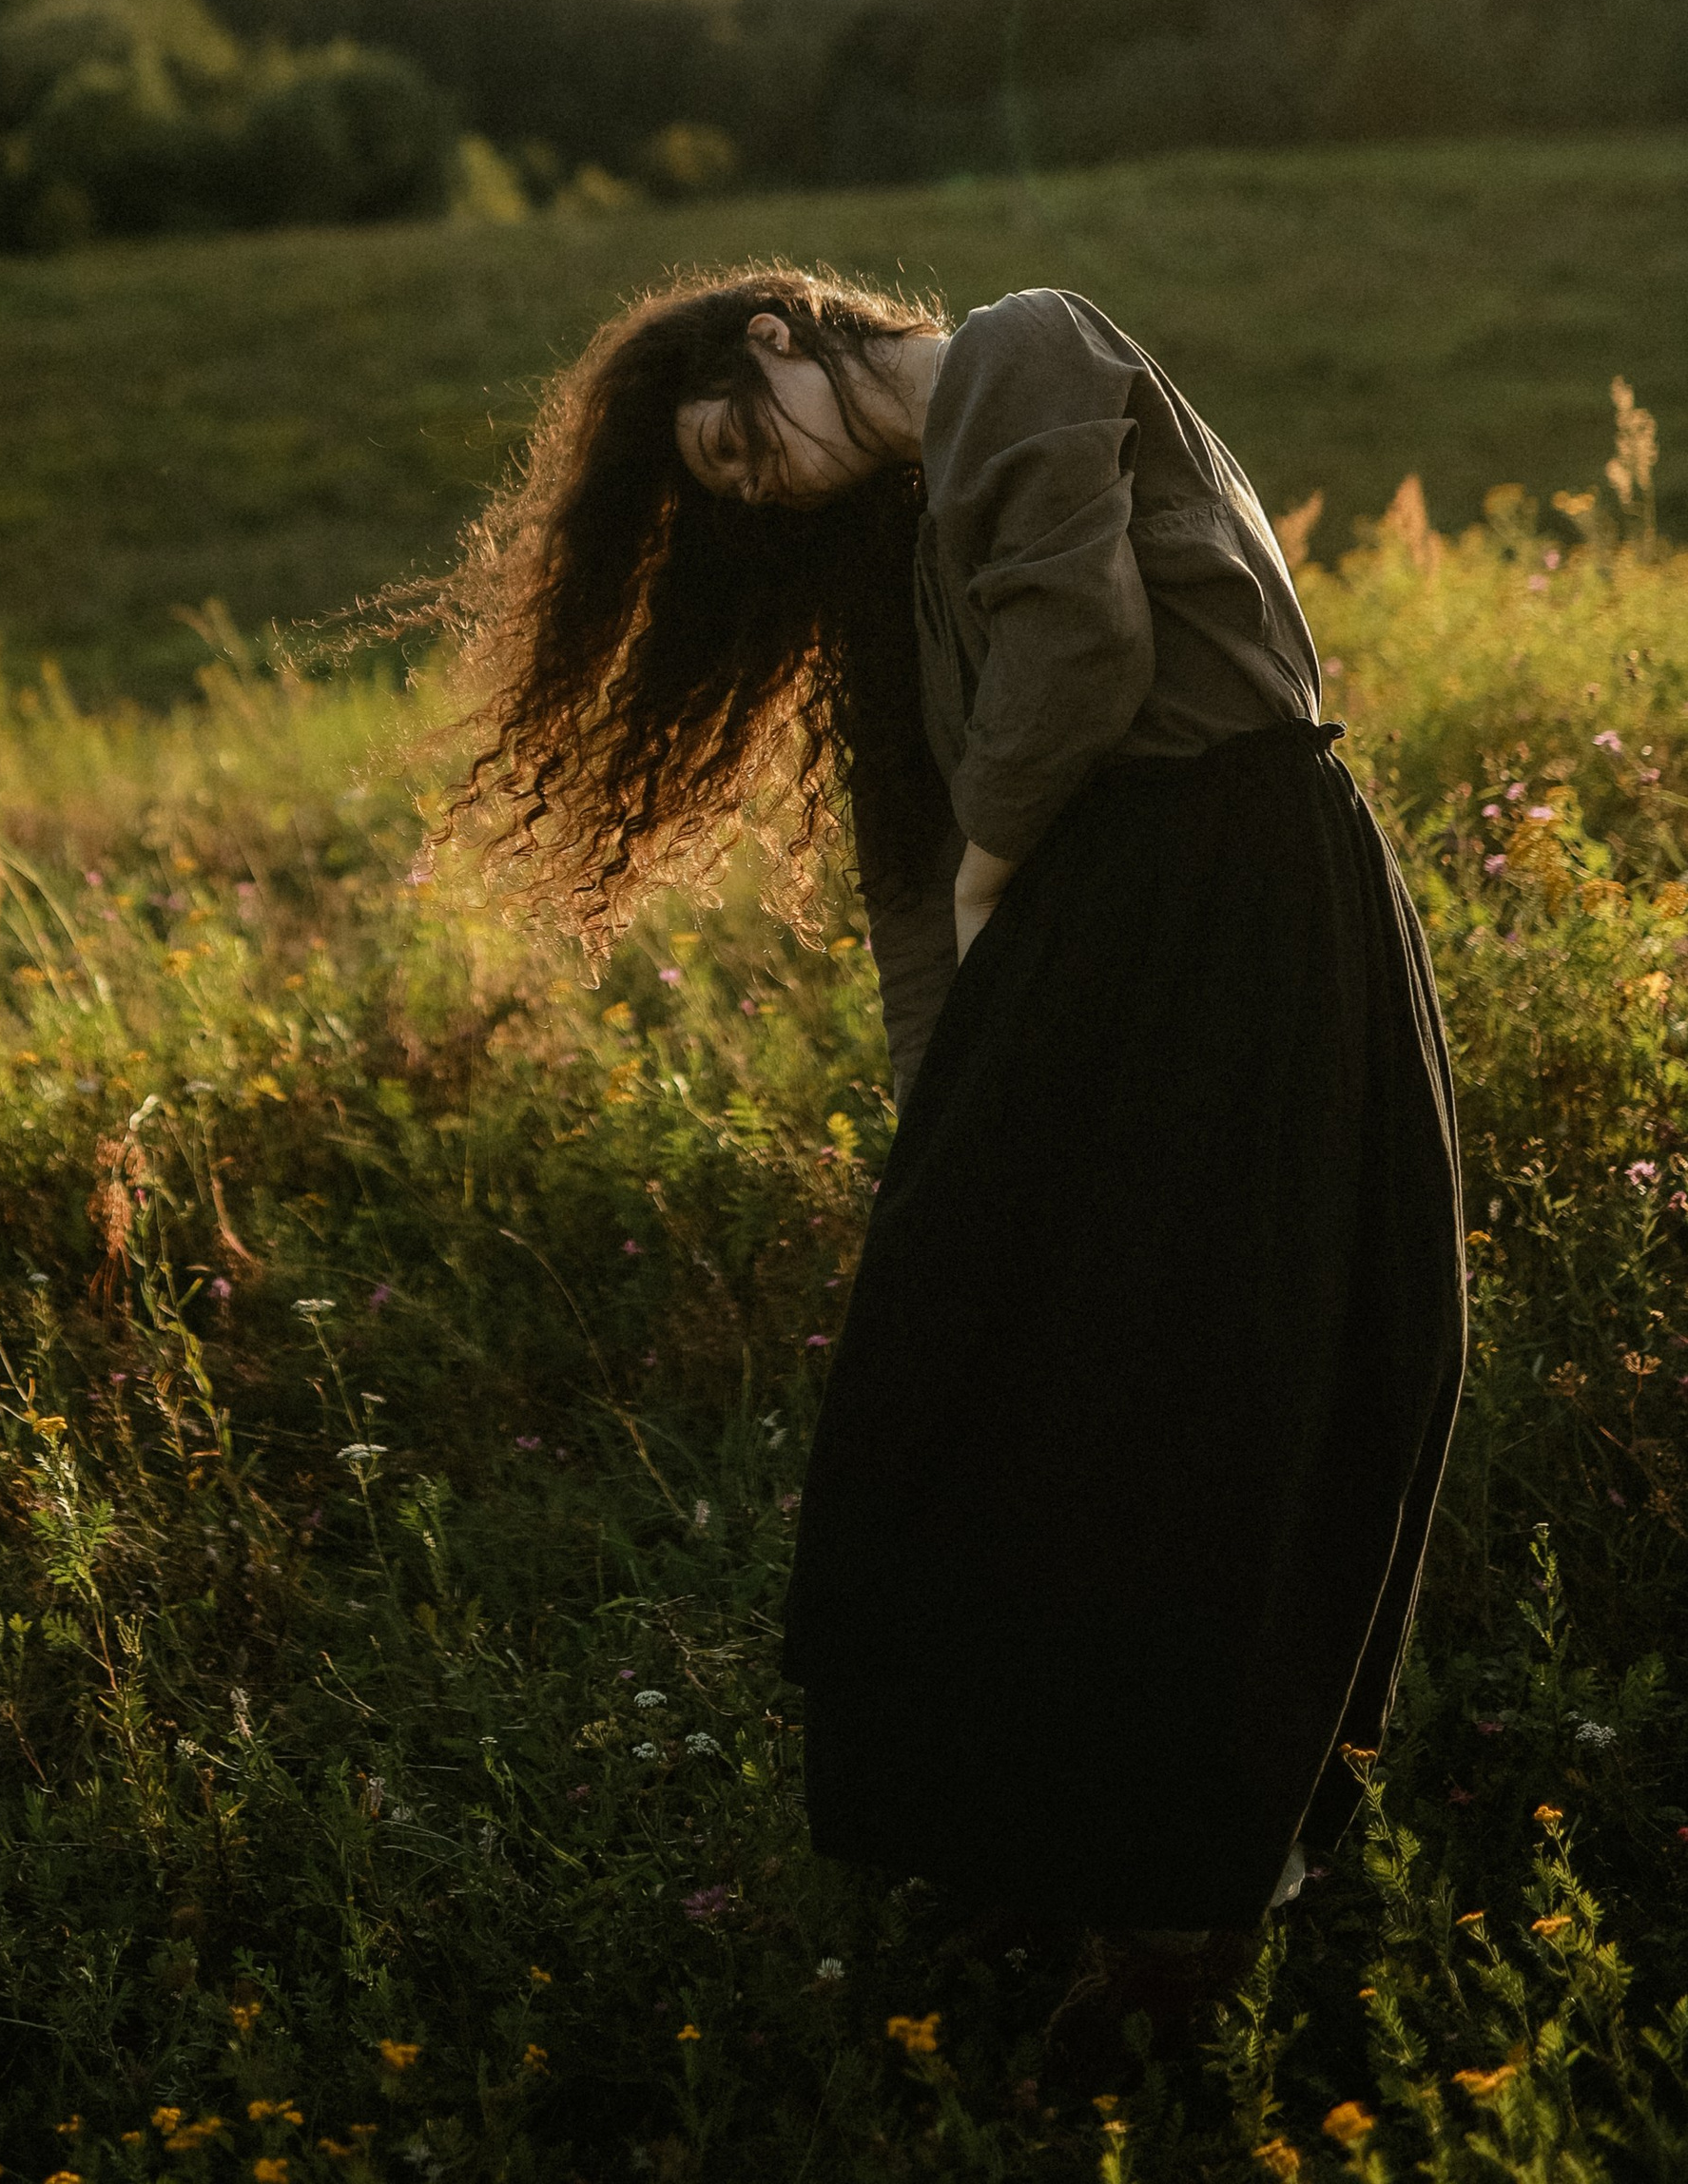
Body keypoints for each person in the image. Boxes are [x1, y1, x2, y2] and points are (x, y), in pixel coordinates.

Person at [441, 265, 1467, 2078]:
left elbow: (1086, 655)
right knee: (1000, 1393)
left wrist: (1001, 877)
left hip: (1236, 903)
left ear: (777, 336)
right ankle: (1020, 1846)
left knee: (1214, 1404)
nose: (752, 491)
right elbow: (923, 889)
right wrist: (941, 1122)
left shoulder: (1022, 347)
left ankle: (1176, 1924)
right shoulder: (899, 550)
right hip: (1102, 957)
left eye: (733, 452)